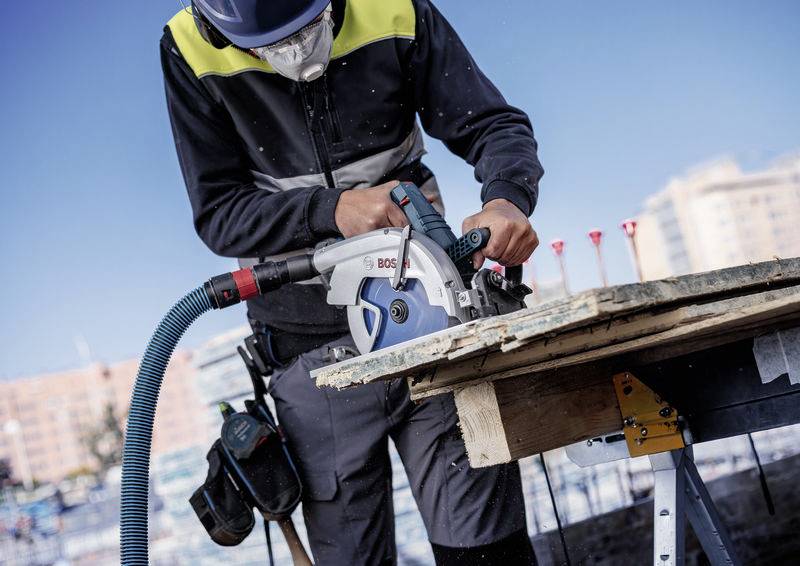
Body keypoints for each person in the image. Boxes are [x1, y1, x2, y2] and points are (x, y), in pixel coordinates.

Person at [160, 1, 543, 563]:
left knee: (486, 552)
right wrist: (331, 209)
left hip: (431, 326)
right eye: (265, 46)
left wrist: (506, 198)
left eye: (306, 28)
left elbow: (491, 123)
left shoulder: (392, 7)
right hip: (309, 353)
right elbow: (220, 212)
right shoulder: (188, 46)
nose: (293, 51)